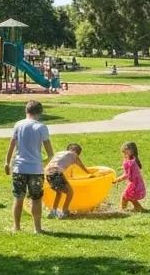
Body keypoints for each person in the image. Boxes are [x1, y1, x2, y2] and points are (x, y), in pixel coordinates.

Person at [5, 100, 54, 233]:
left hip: (19, 168)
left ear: (26, 111)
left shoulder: (18, 125)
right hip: (35, 170)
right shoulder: (41, 127)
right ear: (40, 113)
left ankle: (16, 227)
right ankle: (37, 229)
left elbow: (11, 145)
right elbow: (50, 153)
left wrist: (7, 162)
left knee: (18, 198)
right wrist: (43, 162)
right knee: (36, 199)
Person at [45, 142, 91, 219]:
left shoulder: (59, 153)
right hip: (56, 172)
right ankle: (64, 211)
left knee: (59, 192)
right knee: (70, 192)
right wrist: (91, 173)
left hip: (47, 173)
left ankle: (53, 211)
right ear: (77, 152)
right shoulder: (74, 155)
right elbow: (83, 167)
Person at [115, 140, 147, 212]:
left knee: (125, 197)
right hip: (138, 184)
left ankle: (122, 210)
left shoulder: (130, 163)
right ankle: (138, 208)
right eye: (124, 152)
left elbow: (126, 175)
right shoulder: (134, 160)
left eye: (126, 151)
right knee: (130, 198)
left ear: (132, 151)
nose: (125, 153)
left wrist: (117, 180)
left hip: (134, 185)